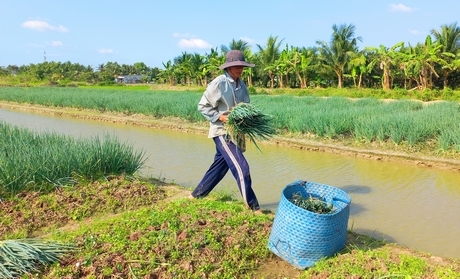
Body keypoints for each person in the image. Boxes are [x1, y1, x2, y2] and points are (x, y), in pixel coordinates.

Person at [190, 50, 261, 212]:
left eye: (242, 66)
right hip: (222, 132)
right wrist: (221, 117)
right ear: (228, 67)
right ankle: (253, 207)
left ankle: (196, 195)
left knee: (220, 167)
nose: (239, 68)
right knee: (242, 168)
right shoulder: (219, 83)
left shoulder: (241, 84)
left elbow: (246, 106)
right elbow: (203, 106)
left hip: (236, 132)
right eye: (236, 66)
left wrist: (249, 118)